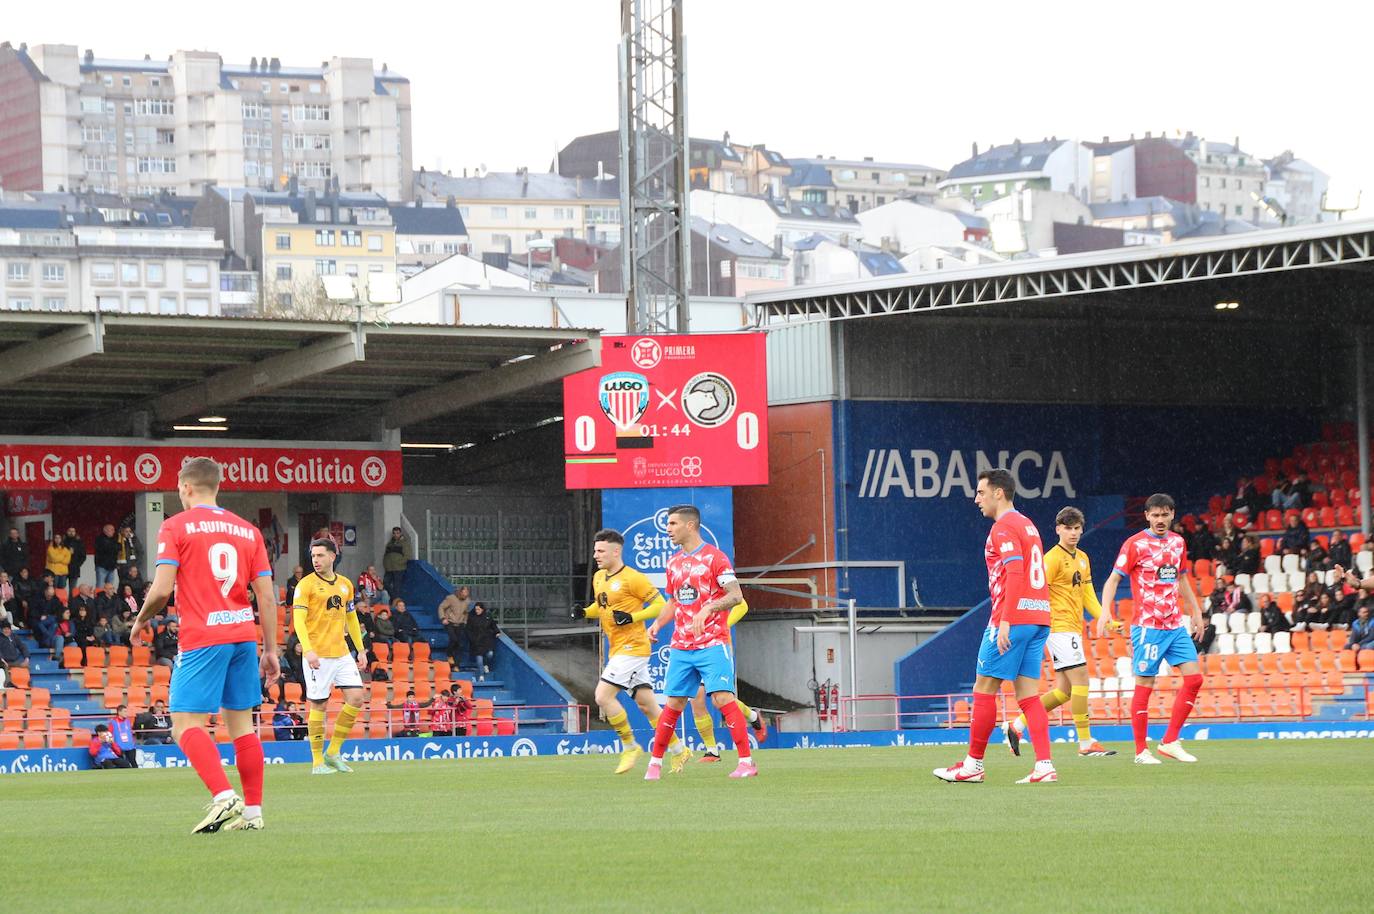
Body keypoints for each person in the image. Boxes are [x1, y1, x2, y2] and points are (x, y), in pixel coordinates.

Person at [127, 456, 279, 833]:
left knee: (183, 724)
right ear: (218, 487)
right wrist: (271, 649)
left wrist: (141, 619)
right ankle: (254, 814)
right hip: (244, 636)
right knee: (242, 727)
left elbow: (162, 590)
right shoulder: (248, 531)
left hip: (203, 637)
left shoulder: (175, 526)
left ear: (185, 487)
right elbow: (267, 596)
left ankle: (223, 796)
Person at [934, 470, 1055, 785]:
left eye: (981, 492)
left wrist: (1005, 620)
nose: (977, 499)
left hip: (1012, 618)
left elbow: (1014, 572)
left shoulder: (1003, 528)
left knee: (983, 689)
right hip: (1039, 616)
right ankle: (1044, 766)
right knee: (1029, 696)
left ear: (998, 493)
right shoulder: (1028, 525)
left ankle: (973, 765)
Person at [644, 504, 755, 781]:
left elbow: (736, 595)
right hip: (682, 646)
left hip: (713, 643)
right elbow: (673, 601)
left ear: (690, 525)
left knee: (721, 698)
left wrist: (708, 609)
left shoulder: (715, 558)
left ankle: (746, 762)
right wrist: (658, 623)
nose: (667, 529)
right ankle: (655, 765)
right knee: (674, 703)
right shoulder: (673, 563)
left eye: (672, 524)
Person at [1098, 493, 1207, 765]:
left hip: (1175, 625)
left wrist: (1195, 611)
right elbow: (1112, 580)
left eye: (1165, 514)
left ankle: (1170, 741)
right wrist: (1104, 612)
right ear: (1147, 516)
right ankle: (1140, 751)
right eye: (1155, 515)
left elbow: (1182, 578)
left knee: (1194, 679)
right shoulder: (1135, 544)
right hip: (1149, 627)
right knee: (1145, 686)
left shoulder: (1178, 543)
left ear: (1172, 514)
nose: (1160, 520)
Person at [571, 529, 690, 774]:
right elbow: (602, 606)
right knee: (647, 705)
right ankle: (680, 750)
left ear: (616, 551)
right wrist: (585, 612)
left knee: (603, 696)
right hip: (618, 648)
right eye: (595, 550)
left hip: (633, 647)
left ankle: (629, 745)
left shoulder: (633, 578)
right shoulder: (599, 577)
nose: (596, 555)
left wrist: (633, 617)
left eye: (601, 550)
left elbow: (659, 605)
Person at [1006, 506, 1118, 758]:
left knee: (1064, 691)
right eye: (1068, 528)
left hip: (1072, 628)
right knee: (1082, 681)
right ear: (1058, 529)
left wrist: (1104, 616)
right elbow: (1035, 588)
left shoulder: (1083, 558)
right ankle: (1086, 743)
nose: (1074, 533)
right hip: (1058, 627)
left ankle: (1017, 725)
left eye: (1077, 528)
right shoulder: (1052, 559)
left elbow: (1087, 594)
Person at [292, 537, 367, 775]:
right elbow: (298, 621)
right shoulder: (305, 585)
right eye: (313, 556)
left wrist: (361, 648)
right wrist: (308, 649)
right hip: (318, 654)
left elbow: (352, 618)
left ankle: (333, 752)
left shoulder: (345, 584)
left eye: (320, 555)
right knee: (319, 704)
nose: (316, 560)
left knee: (356, 697)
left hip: (342, 652)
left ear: (332, 556)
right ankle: (317, 762)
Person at [685, 600, 769, 763]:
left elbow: (742, 605)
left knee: (720, 701)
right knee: (696, 698)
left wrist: (722, 626)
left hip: (718, 649)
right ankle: (711, 751)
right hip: (694, 650)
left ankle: (753, 717)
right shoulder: (689, 585)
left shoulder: (720, 581)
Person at [465, 602, 499, 681]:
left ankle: (486, 664)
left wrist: (497, 632)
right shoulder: (472, 617)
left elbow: (493, 624)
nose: (477, 611)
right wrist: (472, 639)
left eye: (478, 609)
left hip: (487, 640)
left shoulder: (487, 616)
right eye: (476, 609)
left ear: (482, 609)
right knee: (479, 659)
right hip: (476, 642)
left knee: (490, 654)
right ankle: (481, 675)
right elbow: (468, 629)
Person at [437, 586, 470, 664]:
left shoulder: (467, 601)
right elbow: (441, 607)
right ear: (461, 592)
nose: (466, 595)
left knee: (458, 644)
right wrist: (443, 618)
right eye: (464, 593)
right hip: (449, 622)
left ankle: (455, 664)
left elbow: (466, 612)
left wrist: (465, 621)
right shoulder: (451, 598)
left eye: (467, 593)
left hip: (460, 623)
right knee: (453, 639)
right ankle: (449, 654)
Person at [381, 527, 411, 598]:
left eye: (397, 533)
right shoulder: (390, 543)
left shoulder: (405, 543)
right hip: (389, 568)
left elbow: (408, 556)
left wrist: (399, 563)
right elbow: (386, 555)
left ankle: (396, 601)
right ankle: (394, 598)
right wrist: (385, 564)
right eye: (394, 533)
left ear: (400, 533)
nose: (396, 535)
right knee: (386, 583)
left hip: (399, 568)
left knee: (397, 586)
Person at [94, 523, 121, 588]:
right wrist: (114, 546)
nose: (113, 532)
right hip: (102, 566)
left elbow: (119, 548)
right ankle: (99, 598)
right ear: (105, 530)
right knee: (100, 585)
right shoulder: (100, 539)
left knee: (110, 586)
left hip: (111, 566)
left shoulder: (114, 539)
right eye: (112, 530)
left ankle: (108, 598)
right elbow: (107, 549)